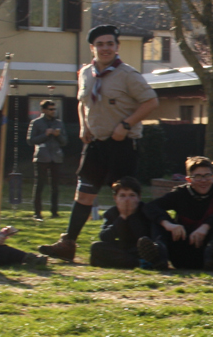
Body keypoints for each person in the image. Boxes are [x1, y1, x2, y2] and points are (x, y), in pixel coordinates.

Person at [39, 25, 159, 262]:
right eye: (100, 44)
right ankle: (68, 243)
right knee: (83, 194)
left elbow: (151, 102)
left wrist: (125, 125)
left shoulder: (128, 75)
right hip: (95, 144)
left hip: (123, 144)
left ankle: (134, 248)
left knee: (126, 199)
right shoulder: (85, 73)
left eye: (110, 44)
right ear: (92, 48)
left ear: (117, 47)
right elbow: (82, 102)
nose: (105, 49)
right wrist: (84, 126)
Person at [139, 156, 213, 271]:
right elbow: (150, 206)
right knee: (159, 219)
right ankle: (159, 255)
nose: (203, 180)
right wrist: (169, 225)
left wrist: (206, 226)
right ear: (189, 180)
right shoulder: (180, 193)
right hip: (183, 250)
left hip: (210, 250)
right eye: (198, 177)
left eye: (207, 176)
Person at [89, 177, 152, 269]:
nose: (127, 199)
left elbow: (144, 235)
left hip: (140, 249)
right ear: (115, 198)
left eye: (131, 195)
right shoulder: (111, 213)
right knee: (96, 247)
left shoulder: (146, 211)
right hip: (121, 248)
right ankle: (137, 262)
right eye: (122, 196)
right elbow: (105, 237)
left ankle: (126, 261)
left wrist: (131, 215)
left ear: (139, 197)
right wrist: (123, 216)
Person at [27, 99, 68, 222]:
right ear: (44, 110)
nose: (53, 111)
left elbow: (64, 142)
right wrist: (45, 134)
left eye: (54, 109)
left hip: (56, 157)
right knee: (39, 185)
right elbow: (31, 140)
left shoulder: (59, 123)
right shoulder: (36, 123)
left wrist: (57, 135)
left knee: (55, 186)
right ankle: (37, 212)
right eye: (50, 109)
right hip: (42, 157)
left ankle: (54, 211)